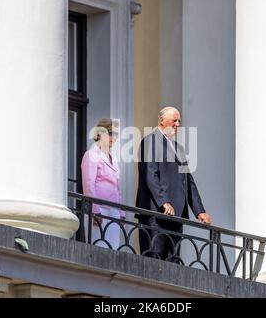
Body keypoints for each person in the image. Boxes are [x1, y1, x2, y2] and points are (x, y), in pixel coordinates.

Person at [136, 107, 212, 262]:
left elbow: (188, 181)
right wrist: (163, 200)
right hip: (156, 214)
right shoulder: (150, 141)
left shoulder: (179, 148)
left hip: (176, 215)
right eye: (174, 120)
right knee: (154, 259)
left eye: (179, 121)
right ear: (162, 120)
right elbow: (150, 174)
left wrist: (199, 211)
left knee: (173, 262)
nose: (177, 124)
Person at [81, 118, 125, 250]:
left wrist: (121, 212)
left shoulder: (114, 159)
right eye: (110, 133)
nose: (114, 137)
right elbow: (89, 184)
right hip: (99, 210)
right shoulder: (91, 155)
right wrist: (95, 211)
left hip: (114, 211)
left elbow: (117, 188)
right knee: (98, 247)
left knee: (113, 248)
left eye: (116, 134)